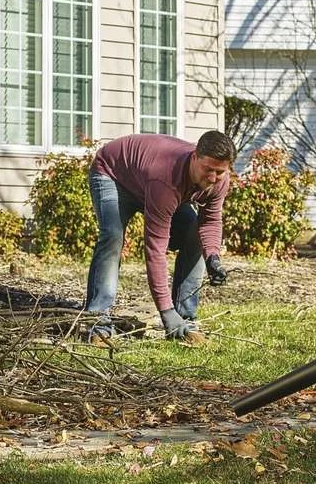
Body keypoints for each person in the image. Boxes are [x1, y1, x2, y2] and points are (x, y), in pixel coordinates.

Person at [83, 130, 235, 344]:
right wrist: (165, 311)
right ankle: (97, 322)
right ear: (194, 157)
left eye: (219, 172)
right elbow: (155, 249)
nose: (212, 178)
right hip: (113, 174)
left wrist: (213, 257)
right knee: (113, 237)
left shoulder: (219, 181)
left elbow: (210, 221)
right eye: (207, 169)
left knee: (196, 235)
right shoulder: (166, 178)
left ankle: (185, 321)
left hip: (147, 179)